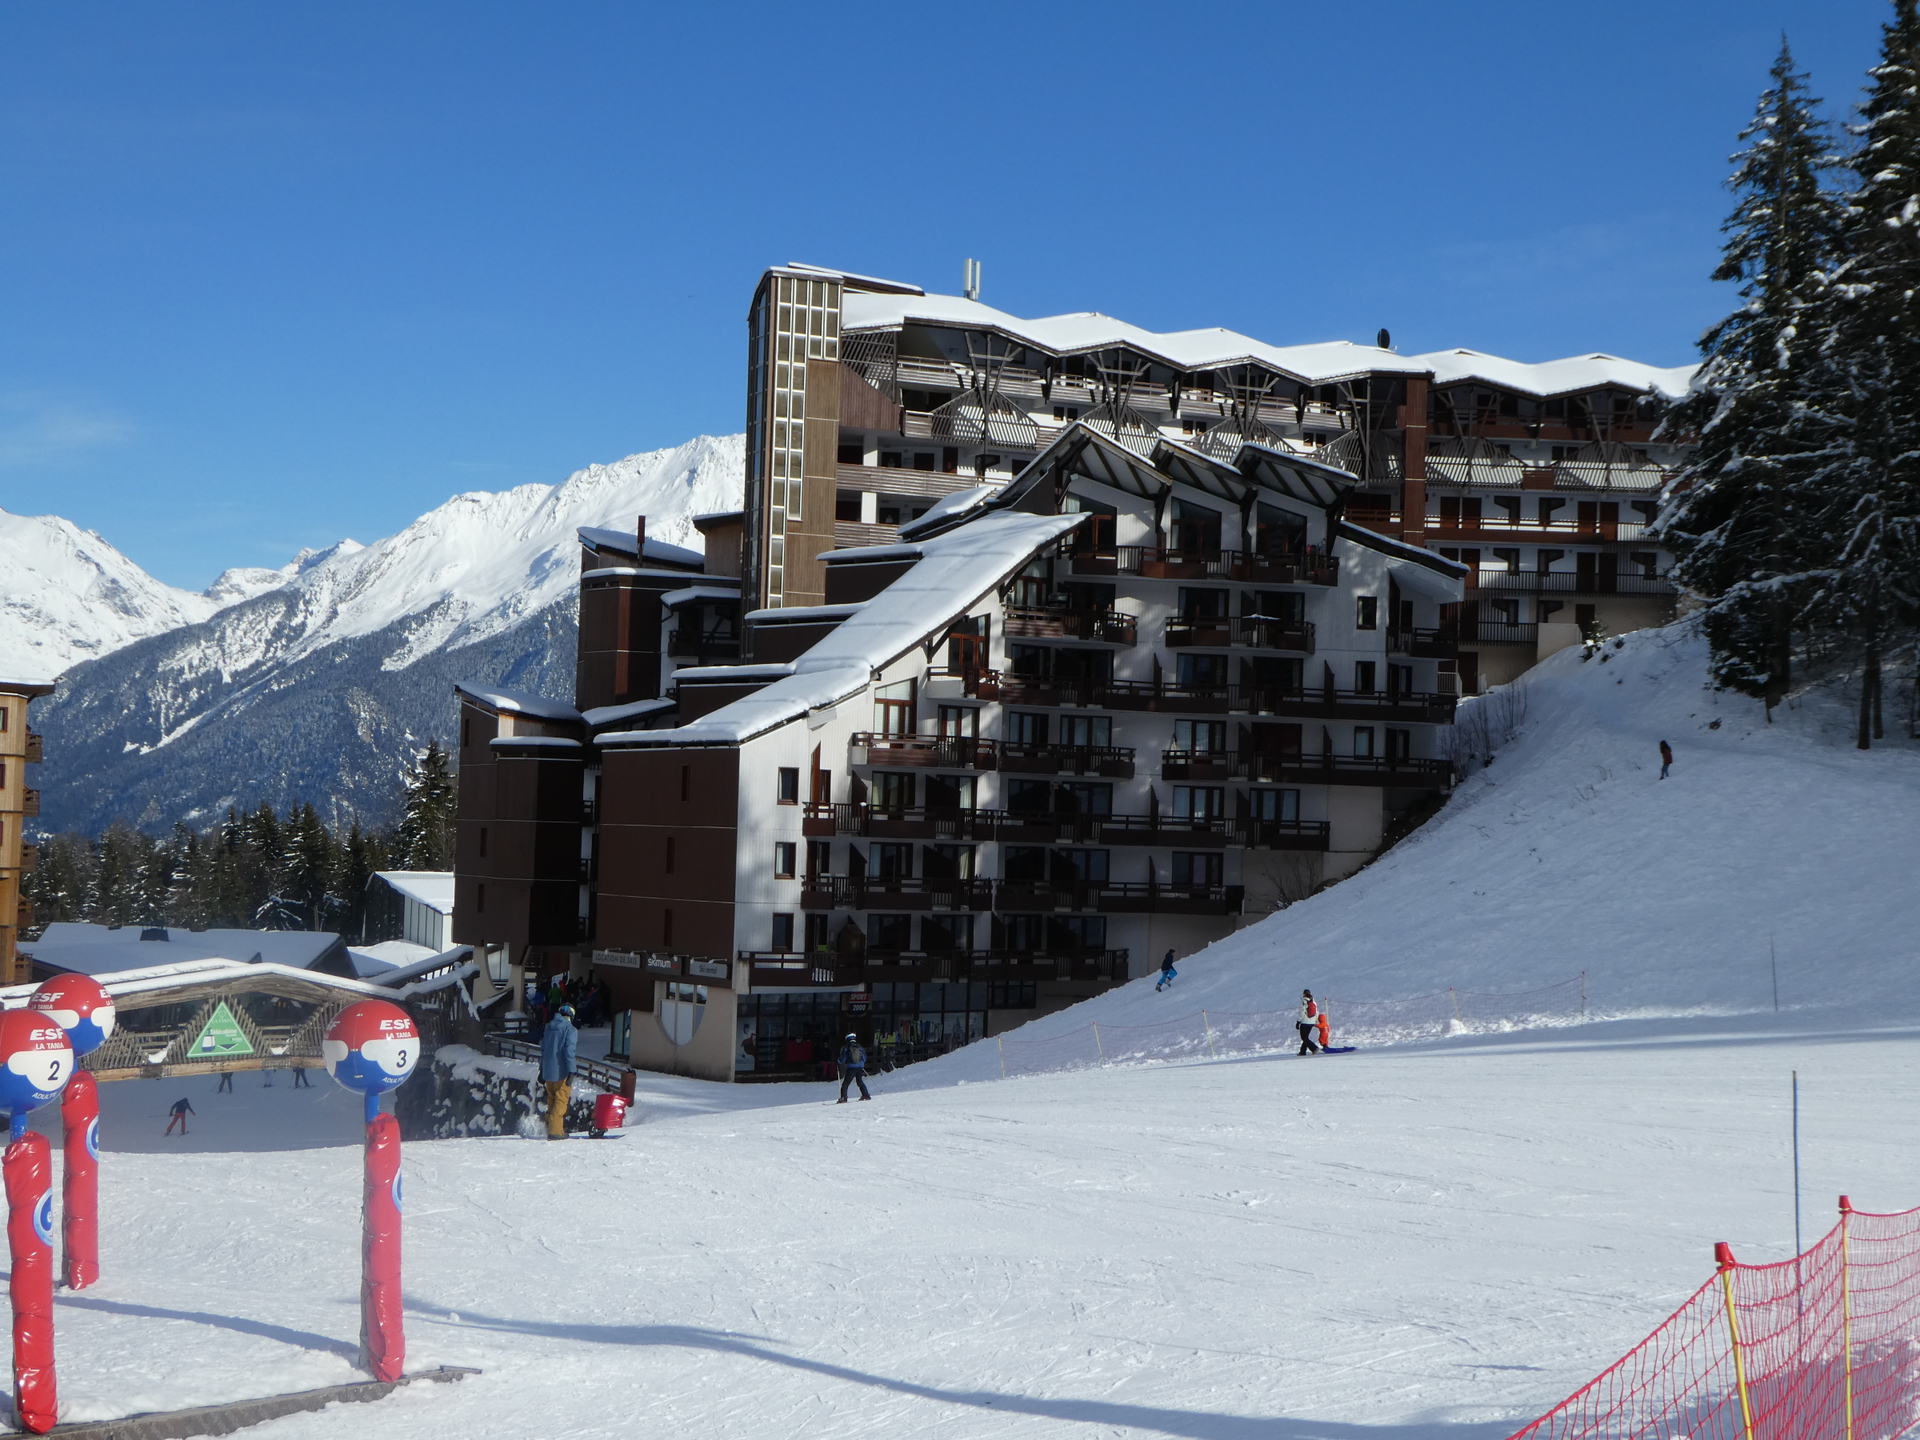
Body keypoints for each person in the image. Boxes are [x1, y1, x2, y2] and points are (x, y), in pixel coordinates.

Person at [540, 1003, 579, 1140]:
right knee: (561, 1101)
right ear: (571, 1015)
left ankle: (550, 1127)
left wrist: (541, 1070)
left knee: (551, 1100)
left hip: (548, 1071)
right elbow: (569, 1051)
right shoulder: (570, 1030)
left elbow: (543, 1050)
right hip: (561, 1071)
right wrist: (572, 1071)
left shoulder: (548, 1027)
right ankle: (555, 1132)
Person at [836, 1032, 871, 1102]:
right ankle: (866, 1095)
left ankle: (843, 1098)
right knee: (859, 1081)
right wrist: (861, 1064)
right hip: (860, 1067)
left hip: (851, 1067)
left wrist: (838, 1061)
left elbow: (843, 1059)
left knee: (845, 1083)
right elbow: (864, 1057)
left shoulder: (846, 1047)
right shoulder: (859, 1046)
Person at [1296, 990, 1322, 1056]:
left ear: (1304, 994)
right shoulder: (1314, 1002)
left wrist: (1298, 1021)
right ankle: (1302, 1052)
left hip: (1305, 1022)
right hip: (1312, 1022)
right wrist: (1315, 1021)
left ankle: (1314, 1048)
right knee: (1306, 1037)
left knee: (1304, 1038)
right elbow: (1317, 1012)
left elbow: (1302, 1012)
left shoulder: (1304, 1001)